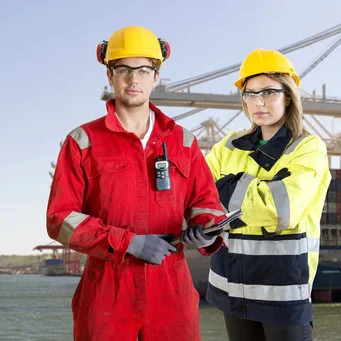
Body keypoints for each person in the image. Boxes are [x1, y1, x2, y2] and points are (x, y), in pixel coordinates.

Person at [46, 26, 226, 341]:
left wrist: (206, 229)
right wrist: (129, 243)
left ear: (156, 76)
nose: (134, 79)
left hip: (172, 293)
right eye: (124, 69)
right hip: (107, 293)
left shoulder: (183, 142)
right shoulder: (83, 142)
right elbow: (60, 219)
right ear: (109, 74)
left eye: (144, 70)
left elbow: (206, 203)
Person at [204, 48, 332, 341]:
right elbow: (198, 193)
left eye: (269, 92)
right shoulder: (228, 144)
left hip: (282, 294)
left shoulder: (308, 148)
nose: (258, 102)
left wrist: (224, 188)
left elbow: (279, 210)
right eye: (250, 94)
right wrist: (250, 191)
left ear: (288, 95)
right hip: (229, 288)